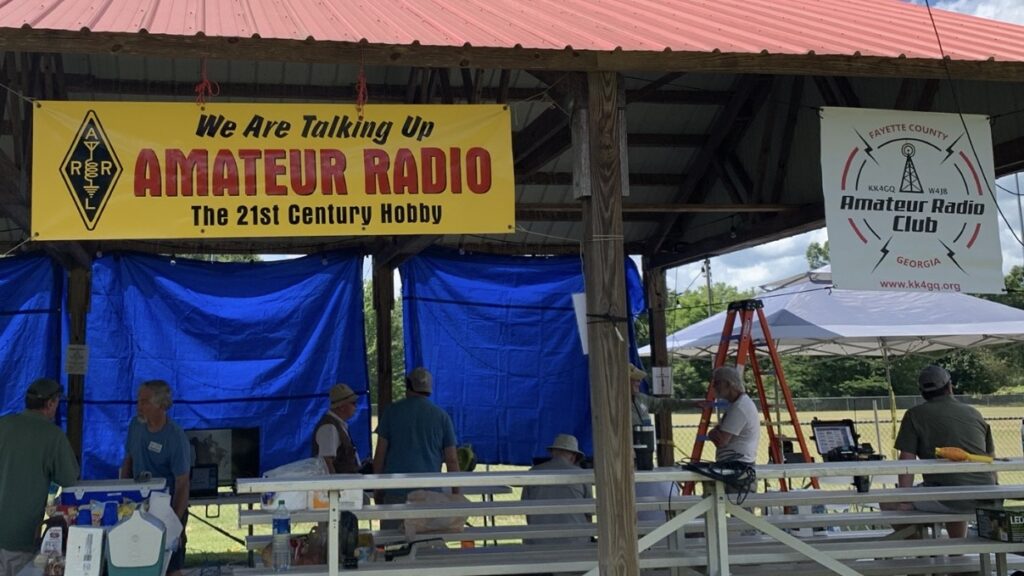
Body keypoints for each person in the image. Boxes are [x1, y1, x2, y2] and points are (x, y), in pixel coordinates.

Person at [887, 364, 997, 538]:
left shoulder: (914, 415)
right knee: (951, 490)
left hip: (950, 497)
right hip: (986, 494)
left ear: (922, 392)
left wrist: (905, 500)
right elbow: (990, 458)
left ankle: (919, 549)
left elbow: (906, 461)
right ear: (949, 386)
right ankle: (956, 547)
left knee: (887, 501)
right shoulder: (974, 413)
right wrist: (994, 490)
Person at [0, 378, 80, 576]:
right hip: (23, 536)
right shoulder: (53, 436)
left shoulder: (3, 424)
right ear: (51, 403)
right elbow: (69, 478)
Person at [373, 367, 460, 529]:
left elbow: (380, 455)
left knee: (392, 540)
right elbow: (452, 460)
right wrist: (456, 494)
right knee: (429, 540)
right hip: (431, 495)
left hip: (396, 492)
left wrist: (377, 489)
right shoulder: (442, 416)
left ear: (408, 386)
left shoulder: (391, 412)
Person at [120, 379, 190, 576]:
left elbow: (183, 483)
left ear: (161, 405)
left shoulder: (175, 437)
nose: (138, 406)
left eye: (144, 402)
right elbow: (128, 461)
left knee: (171, 566)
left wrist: (174, 521)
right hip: (136, 506)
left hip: (166, 507)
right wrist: (122, 495)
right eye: (138, 401)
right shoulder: (135, 426)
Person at [521, 434, 592, 545]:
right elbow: (589, 513)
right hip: (575, 541)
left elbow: (526, 509)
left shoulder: (533, 472)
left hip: (539, 541)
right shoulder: (582, 474)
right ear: (573, 456)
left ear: (553, 452)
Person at [706, 366, 760, 464]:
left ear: (728, 384)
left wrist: (711, 433)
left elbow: (721, 441)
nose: (713, 386)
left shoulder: (739, 408)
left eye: (717, 383)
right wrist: (716, 432)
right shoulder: (739, 404)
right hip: (736, 462)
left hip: (736, 464)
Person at [629, 363, 702, 429]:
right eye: (635, 379)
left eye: (639, 379)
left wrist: (694, 403)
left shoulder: (641, 398)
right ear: (625, 381)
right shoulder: (621, 404)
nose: (639, 382)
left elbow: (664, 404)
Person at [313, 383, 362, 474]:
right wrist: (334, 483)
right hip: (340, 482)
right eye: (353, 403)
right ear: (342, 407)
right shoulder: (329, 427)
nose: (355, 407)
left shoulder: (336, 424)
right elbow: (327, 463)